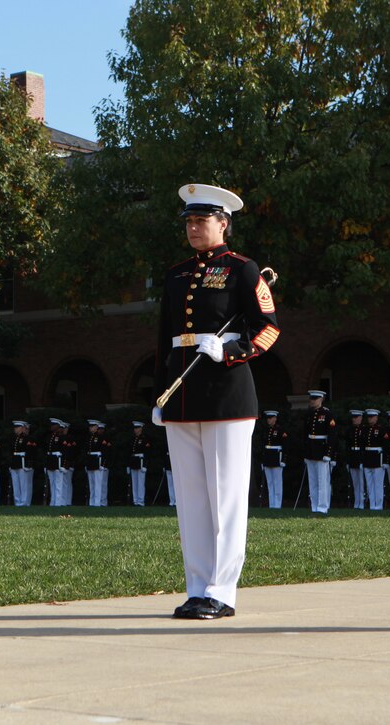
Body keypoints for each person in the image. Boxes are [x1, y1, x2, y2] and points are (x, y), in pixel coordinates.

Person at [152, 183, 279, 620]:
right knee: (191, 499)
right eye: (188, 220)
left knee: (225, 496)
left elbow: (268, 329)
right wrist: (160, 392)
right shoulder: (176, 274)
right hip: (183, 396)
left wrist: (230, 351)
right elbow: (163, 342)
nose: (192, 227)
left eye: (201, 220)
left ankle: (221, 590)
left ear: (223, 224)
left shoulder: (243, 270)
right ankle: (196, 586)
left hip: (227, 395)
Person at [302, 390, 336, 514]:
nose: (312, 400)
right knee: (313, 480)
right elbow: (305, 435)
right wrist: (306, 453)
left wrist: (328, 453)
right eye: (311, 398)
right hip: (311, 450)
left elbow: (331, 436)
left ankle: (323, 506)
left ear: (321, 399)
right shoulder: (309, 414)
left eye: (315, 398)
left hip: (321, 451)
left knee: (322, 481)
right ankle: (314, 505)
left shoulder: (327, 414)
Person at [260, 411, 288, 509]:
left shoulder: (280, 430)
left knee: (277, 483)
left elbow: (285, 446)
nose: (269, 420)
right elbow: (263, 447)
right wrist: (262, 461)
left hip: (276, 457)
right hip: (268, 458)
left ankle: (277, 505)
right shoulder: (266, 430)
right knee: (270, 483)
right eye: (268, 418)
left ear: (275, 418)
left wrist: (283, 460)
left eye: (271, 418)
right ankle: (271, 504)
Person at [362, 410, 387, 511]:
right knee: (369, 484)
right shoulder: (365, 429)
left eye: (372, 417)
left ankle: (379, 504)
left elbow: (385, 446)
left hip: (377, 459)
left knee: (378, 484)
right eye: (369, 417)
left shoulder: (381, 429)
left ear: (376, 418)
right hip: (368, 458)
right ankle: (372, 504)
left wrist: (385, 461)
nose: (370, 419)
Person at [9, 420, 36, 506]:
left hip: (23, 462)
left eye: (17, 427)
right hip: (15, 462)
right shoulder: (14, 439)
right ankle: (17, 501)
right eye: (15, 427)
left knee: (24, 484)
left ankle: (25, 501)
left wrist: (29, 465)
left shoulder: (27, 438)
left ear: (22, 428)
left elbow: (30, 452)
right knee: (16, 484)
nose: (15, 429)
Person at [344, 410, 366, 509]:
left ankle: (361, 502)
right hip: (353, 457)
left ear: (361, 418)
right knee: (355, 482)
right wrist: (348, 461)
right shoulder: (350, 430)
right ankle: (356, 502)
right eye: (353, 417)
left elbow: (364, 447)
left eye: (356, 417)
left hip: (360, 457)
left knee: (361, 482)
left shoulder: (364, 430)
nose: (354, 419)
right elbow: (348, 446)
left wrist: (362, 461)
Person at [85, 420, 111, 506]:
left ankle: (97, 502)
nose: (90, 428)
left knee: (98, 483)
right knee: (92, 483)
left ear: (96, 427)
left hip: (97, 460)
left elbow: (105, 451)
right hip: (91, 460)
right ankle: (92, 502)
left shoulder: (100, 437)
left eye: (92, 426)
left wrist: (103, 464)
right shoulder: (89, 437)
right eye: (90, 426)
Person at [128, 421, 153, 506]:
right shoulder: (133, 439)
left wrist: (145, 465)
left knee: (141, 482)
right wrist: (128, 465)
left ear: (141, 428)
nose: (136, 430)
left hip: (141, 461)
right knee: (134, 482)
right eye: (135, 428)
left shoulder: (145, 438)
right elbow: (130, 453)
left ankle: (141, 501)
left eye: (137, 428)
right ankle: (135, 500)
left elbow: (147, 452)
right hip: (134, 461)